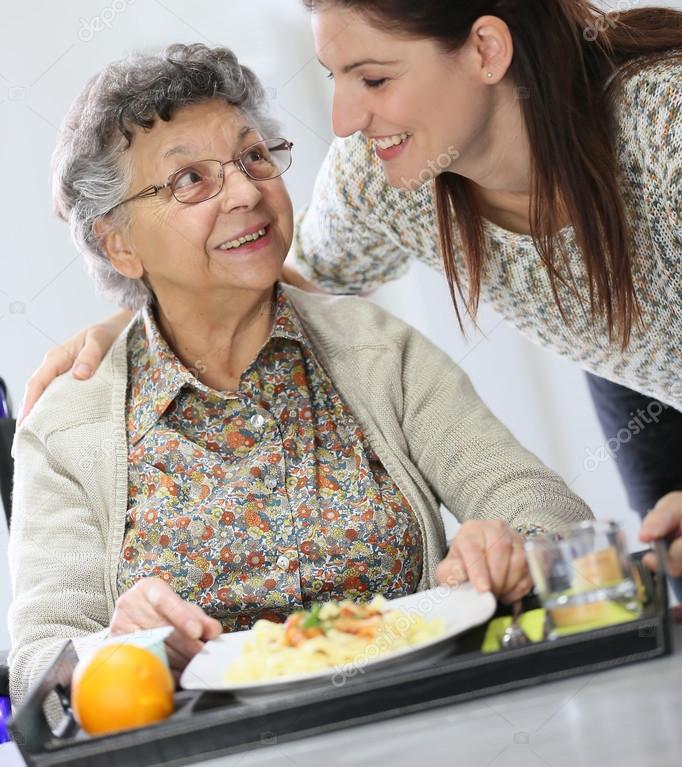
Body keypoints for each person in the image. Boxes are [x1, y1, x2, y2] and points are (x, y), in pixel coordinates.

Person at [19, 0, 682, 564]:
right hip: (641, 366)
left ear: (486, 49)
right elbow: (278, 272)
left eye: (373, 79)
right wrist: (137, 319)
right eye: (334, 76)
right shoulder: (382, 175)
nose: (343, 118)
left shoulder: (665, 129)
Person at [8, 44, 592, 708]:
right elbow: (35, 661)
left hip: (422, 723)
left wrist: (510, 548)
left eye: (253, 156)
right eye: (191, 180)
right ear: (119, 242)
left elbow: (556, 518)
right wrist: (116, 648)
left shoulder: (376, 349)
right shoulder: (68, 427)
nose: (248, 191)